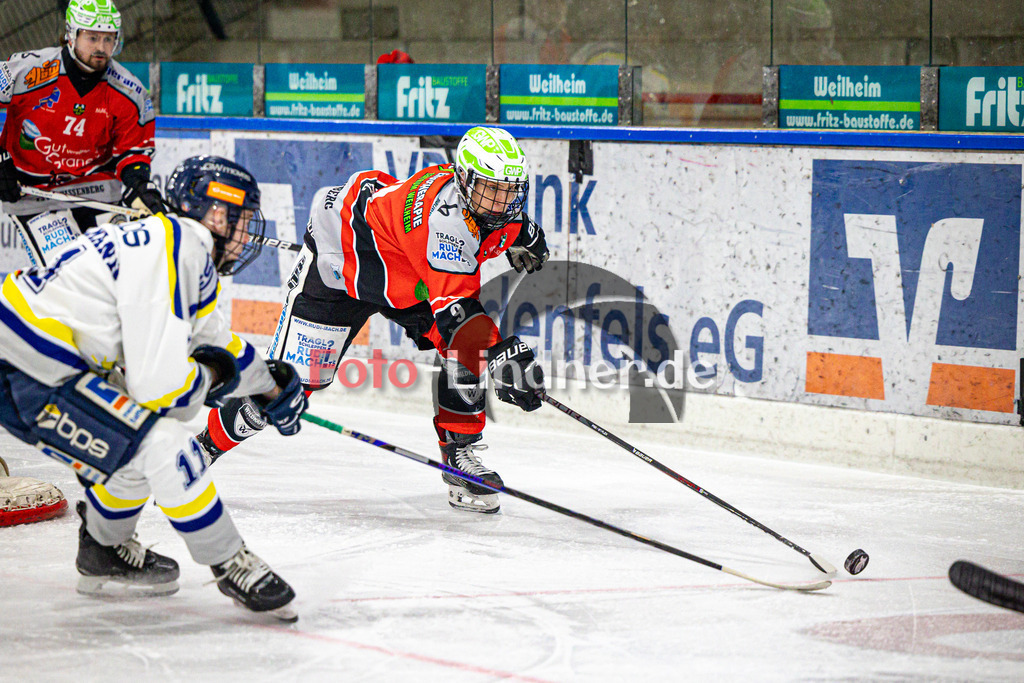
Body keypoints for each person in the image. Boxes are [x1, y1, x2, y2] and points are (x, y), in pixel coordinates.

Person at [0, 155, 307, 621]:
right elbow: (163, 393)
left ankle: (104, 551)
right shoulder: (179, 246)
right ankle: (230, 561)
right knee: (165, 444)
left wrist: (268, 385)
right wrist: (215, 378)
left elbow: (214, 341)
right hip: (26, 366)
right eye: (243, 220)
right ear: (218, 214)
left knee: (135, 447)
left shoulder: (176, 246)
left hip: (34, 359)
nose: (248, 236)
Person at [198, 126, 550, 515]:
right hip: (340, 267)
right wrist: (504, 357)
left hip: (407, 278)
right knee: (286, 385)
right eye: (490, 190)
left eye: (508, 190)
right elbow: (461, 319)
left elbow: (518, 228)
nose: (501, 202)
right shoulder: (444, 223)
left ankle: (460, 458)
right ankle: (203, 447)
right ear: (463, 180)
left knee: (462, 352)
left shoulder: (490, 208)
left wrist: (529, 238)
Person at [0, 0, 163, 270]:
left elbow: (133, 153)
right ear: (71, 35)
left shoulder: (129, 91)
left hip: (96, 188)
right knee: (70, 276)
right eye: (92, 37)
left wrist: (140, 187)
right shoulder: (30, 71)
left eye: (108, 39)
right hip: (32, 193)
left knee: (119, 271)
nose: (101, 47)